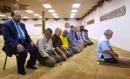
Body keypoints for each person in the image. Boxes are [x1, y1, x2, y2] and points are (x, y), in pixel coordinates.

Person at [2, 10, 38, 75]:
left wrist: (31, 41)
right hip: (13, 44)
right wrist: (16, 44)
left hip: (24, 42)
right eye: (17, 16)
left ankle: (29, 64)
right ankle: (21, 69)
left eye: (20, 16)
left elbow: (26, 35)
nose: (19, 17)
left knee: (35, 49)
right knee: (22, 51)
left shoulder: (22, 24)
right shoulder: (6, 25)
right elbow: (7, 38)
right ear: (12, 16)